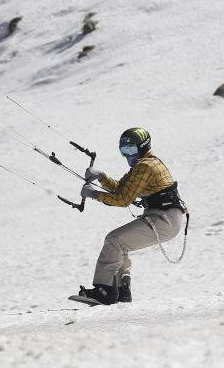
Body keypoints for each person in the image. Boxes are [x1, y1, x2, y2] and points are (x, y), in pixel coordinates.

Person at [70, 127, 186, 306]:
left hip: (165, 219)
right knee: (120, 244)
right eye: (123, 151)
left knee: (114, 240)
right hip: (164, 217)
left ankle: (105, 291)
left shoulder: (145, 166)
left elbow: (123, 199)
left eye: (130, 150)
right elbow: (121, 188)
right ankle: (122, 290)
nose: (126, 155)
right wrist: (101, 177)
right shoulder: (144, 164)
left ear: (143, 147)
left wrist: (95, 195)